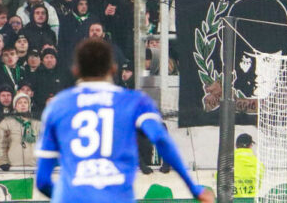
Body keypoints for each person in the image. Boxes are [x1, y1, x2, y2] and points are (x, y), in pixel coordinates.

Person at [36, 39, 214, 203]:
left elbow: (43, 180)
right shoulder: (135, 101)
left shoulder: (58, 105)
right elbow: (160, 138)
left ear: (75, 70)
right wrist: (193, 188)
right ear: (113, 68)